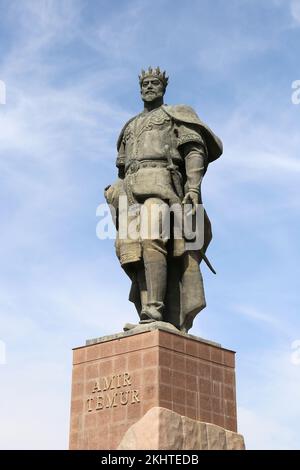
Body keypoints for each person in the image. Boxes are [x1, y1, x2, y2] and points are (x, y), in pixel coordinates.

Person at [105, 67, 222, 333]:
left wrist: (193, 187)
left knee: (152, 238)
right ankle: (147, 311)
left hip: (161, 185)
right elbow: (122, 167)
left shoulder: (174, 116)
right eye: (145, 83)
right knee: (129, 249)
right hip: (129, 190)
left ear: (163, 87)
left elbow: (194, 150)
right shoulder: (129, 127)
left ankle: (154, 309)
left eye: (154, 83)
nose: (149, 87)